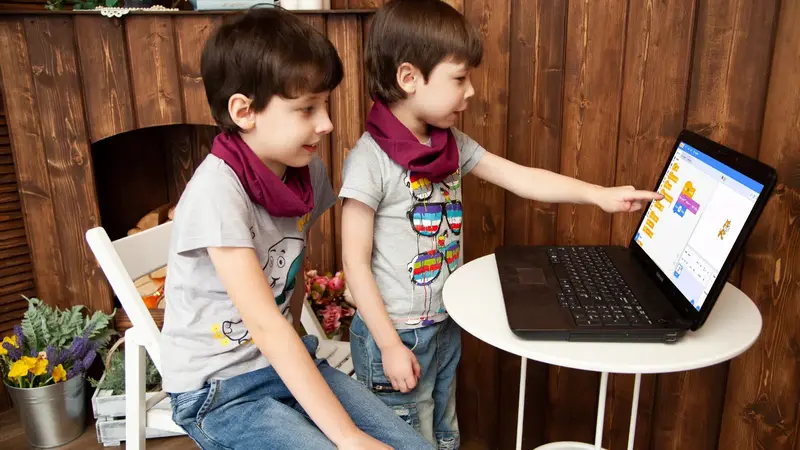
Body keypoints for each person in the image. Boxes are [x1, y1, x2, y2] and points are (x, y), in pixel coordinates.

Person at [339, 0, 663, 448]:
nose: (471, 91)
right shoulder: (368, 161)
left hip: (443, 325)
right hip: (394, 336)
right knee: (406, 440)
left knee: (445, 432)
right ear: (409, 78)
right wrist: (390, 345)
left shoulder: (449, 144)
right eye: (459, 78)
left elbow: (520, 177)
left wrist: (598, 195)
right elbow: (354, 264)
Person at [160, 8, 433, 450]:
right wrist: (347, 436)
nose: (325, 123)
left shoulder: (307, 170)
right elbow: (267, 325)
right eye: (306, 108)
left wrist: (301, 340)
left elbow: (292, 262)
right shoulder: (217, 193)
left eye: (323, 103)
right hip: (219, 393)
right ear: (244, 111)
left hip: (284, 362)